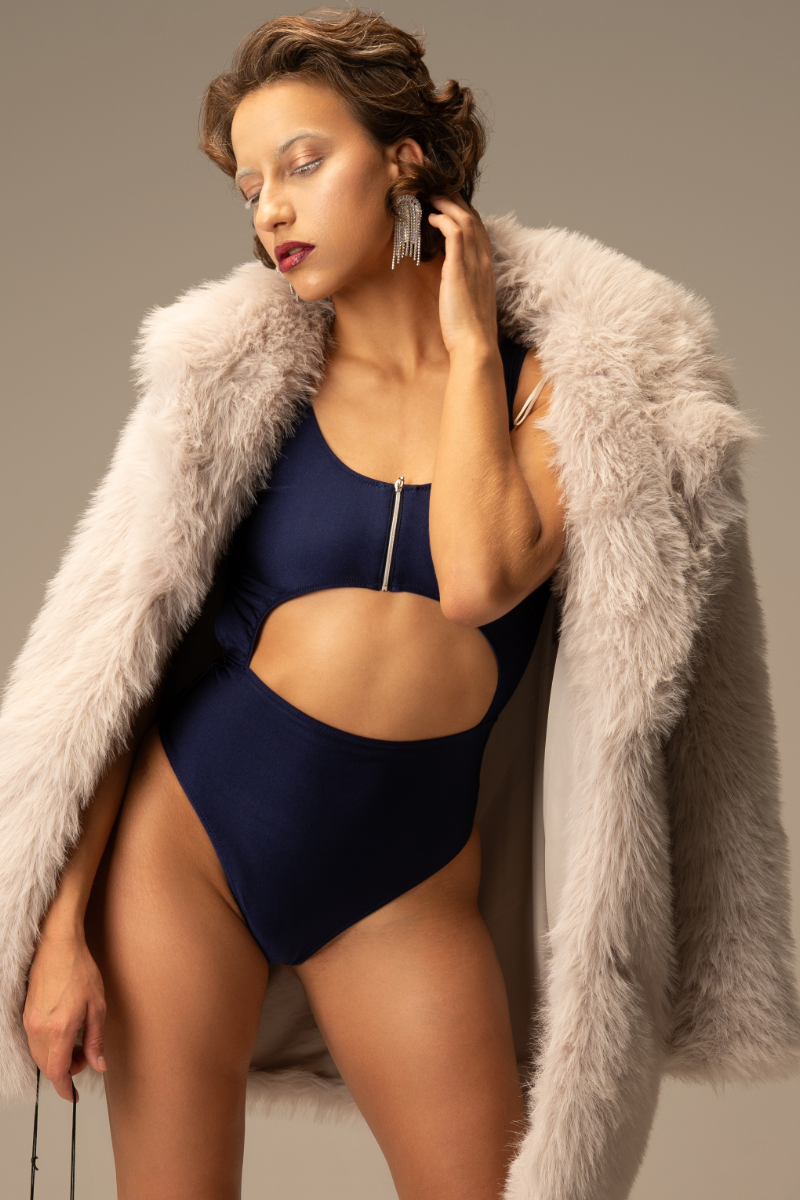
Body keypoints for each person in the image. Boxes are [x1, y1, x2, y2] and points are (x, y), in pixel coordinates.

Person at [2, 10, 798, 1200]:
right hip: (189, 846)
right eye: (251, 186)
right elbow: (125, 661)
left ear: (403, 160)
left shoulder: (571, 390)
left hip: (403, 881)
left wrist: (471, 351)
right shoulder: (239, 387)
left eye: (302, 164)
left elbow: (479, 577)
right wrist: (61, 931)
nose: (271, 209)